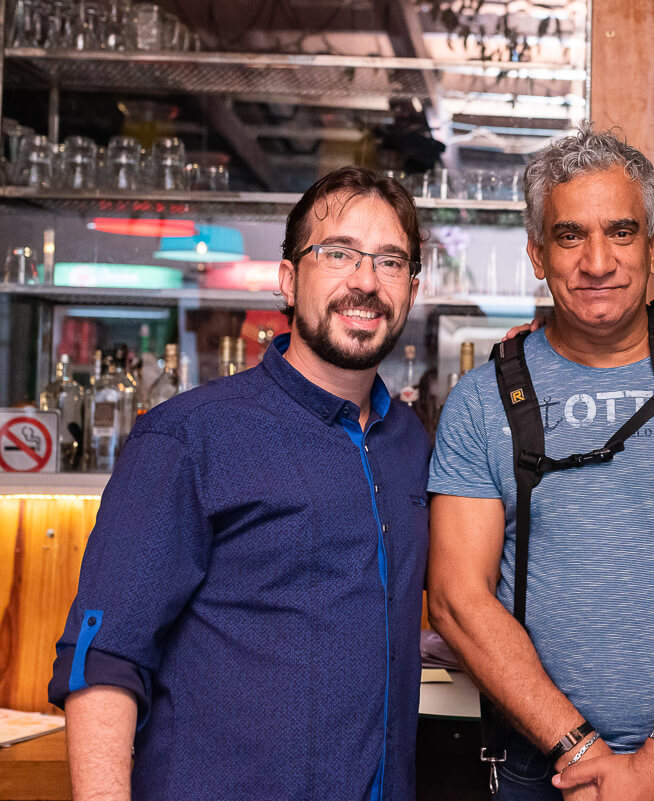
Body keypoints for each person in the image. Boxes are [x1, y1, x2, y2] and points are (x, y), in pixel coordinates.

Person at [426, 124, 654, 801]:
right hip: (548, 771)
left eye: (621, 232)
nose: (597, 261)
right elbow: (457, 598)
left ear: (653, 245)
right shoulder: (481, 404)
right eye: (570, 236)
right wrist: (583, 751)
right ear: (538, 254)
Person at [48, 166, 430, 801]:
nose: (365, 281)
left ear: (410, 291)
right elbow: (105, 656)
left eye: (390, 262)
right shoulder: (187, 437)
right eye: (337, 254)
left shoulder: (409, 443)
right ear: (288, 279)